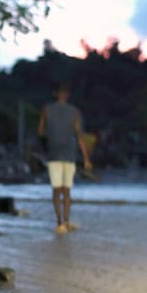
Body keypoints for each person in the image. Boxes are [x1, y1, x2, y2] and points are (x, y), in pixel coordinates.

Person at [37, 82, 93, 234]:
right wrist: (86, 158)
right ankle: (66, 221)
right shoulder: (74, 112)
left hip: (53, 153)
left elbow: (40, 132)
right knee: (66, 190)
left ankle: (60, 223)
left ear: (55, 94)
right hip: (70, 154)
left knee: (56, 190)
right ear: (68, 95)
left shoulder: (46, 110)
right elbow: (79, 135)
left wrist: (48, 142)